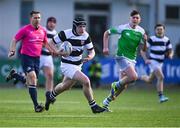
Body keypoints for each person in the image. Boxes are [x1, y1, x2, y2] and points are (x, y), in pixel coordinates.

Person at [45, 17, 106, 113]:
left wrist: (90, 57)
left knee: (65, 86)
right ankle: (93, 106)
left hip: (78, 65)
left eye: (84, 27)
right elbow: (50, 43)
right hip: (67, 65)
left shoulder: (85, 36)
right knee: (86, 81)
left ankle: (50, 96)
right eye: (80, 27)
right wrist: (56, 51)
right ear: (75, 27)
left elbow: (92, 51)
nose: (82, 29)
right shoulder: (65, 33)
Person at [6, 11, 63, 112]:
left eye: (39, 18)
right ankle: (36, 106)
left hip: (37, 58)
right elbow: (15, 39)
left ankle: (16, 75)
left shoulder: (42, 31)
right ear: (31, 19)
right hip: (26, 57)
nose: (37, 20)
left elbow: (45, 43)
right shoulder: (25, 29)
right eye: (35, 18)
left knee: (31, 82)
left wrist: (53, 51)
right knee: (32, 78)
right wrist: (12, 50)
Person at [102, 10, 147, 111]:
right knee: (134, 76)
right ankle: (115, 84)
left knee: (124, 85)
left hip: (132, 59)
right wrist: (105, 47)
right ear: (130, 18)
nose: (135, 19)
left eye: (137, 18)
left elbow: (143, 49)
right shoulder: (123, 28)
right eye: (133, 18)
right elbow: (106, 33)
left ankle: (106, 103)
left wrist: (145, 41)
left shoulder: (141, 31)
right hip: (121, 56)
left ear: (140, 20)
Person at [139, 24, 173, 103]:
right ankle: (161, 97)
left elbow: (170, 49)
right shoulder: (152, 39)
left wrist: (170, 54)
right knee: (161, 77)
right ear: (155, 30)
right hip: (153, 61)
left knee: (149, 80)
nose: (159, 31)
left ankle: (140, 77)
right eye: (158, 29)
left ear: (164, 30)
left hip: (160, 62)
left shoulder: (166, 39)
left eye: (161, 29)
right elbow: (143, 50)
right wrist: (146, 59)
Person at [40, 17, 57, 93]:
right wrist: (51, 48)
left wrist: (57, 51)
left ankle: (49, 94)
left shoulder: (55, 33)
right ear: (47, 23)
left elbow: (54, 45)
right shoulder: (42, 30)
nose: (51, 24)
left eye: (53, 22)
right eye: (50, 22)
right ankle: (18, 76)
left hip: (48, 57)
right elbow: (40, 42)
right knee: (31, 77)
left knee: (50, 76)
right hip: (38, 56)